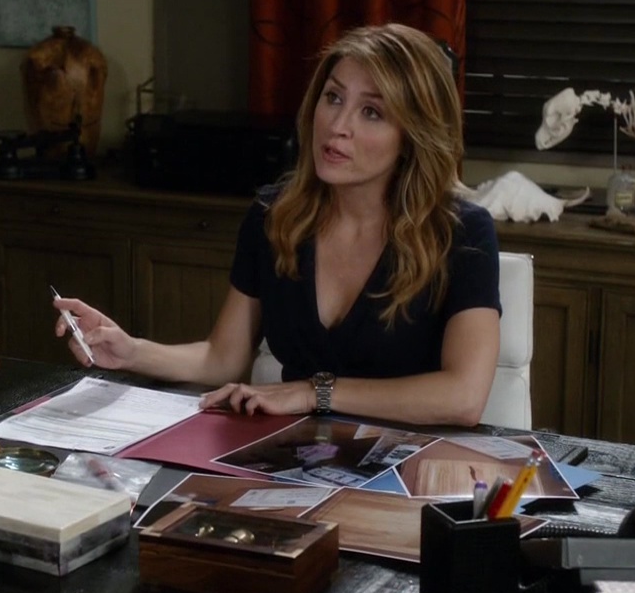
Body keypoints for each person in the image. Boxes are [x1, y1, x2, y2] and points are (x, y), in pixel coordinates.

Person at [54, 23, 501, 427]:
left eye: (372, 112)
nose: (337, 126)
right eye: (333, 97)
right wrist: (131, 350)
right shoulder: (276, 216)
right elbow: (223, 358)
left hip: (410, 465)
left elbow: (463, 397)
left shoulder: (462, 234)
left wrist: (313, 393)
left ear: (411, 137)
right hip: (293, 457)